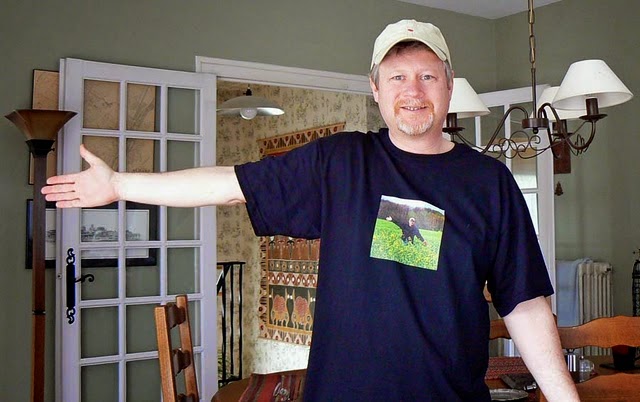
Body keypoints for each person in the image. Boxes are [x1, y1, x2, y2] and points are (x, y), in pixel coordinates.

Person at [43, 19, 578, 401]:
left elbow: (524, 305)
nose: (412, 90)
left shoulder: (489, 182)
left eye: (427, 76)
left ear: (448, 86)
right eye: (397, 77)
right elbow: (227, 184)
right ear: (375, 89)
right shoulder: (340, 163)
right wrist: (119, 184)